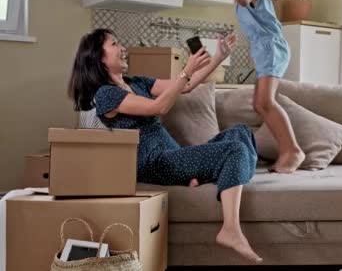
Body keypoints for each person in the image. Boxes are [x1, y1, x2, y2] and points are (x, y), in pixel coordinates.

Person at [67, 28, 262, 263]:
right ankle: (230, 228)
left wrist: (219, 56)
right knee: (236, 150)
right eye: (115, 44)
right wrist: (187, 69)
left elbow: (185, 87)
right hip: (153, 162)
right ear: (98, 57)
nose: (123, 48)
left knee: (241, 132)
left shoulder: (137, 82)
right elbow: (158, 107)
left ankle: (210, 175)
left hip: (173, 155)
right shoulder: (105, 95)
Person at [204, 0, 305, 173]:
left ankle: (292, 151)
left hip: (270, 47)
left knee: (265, 102)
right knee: (261, 104)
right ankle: (288, 150)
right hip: (265, 48)